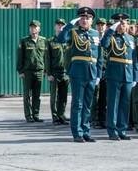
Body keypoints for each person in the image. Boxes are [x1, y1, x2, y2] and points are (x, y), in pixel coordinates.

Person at [56, 7, 102, 143]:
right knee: (78, 104)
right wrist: (70, 25)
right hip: (78, 72)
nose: (84, 20)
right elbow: (60, 39)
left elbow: (99, 57)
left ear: (92, 20)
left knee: (88, 104)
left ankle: (86, 131)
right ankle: (77, 133)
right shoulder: (73, 32)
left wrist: (98, 74)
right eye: (82, 18)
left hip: (92, 73)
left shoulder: (95, 34)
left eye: (87, 18)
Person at [100, 13, 137, 141]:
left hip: (128, 75)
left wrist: (135, 77)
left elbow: (134, 59)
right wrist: (111, 30)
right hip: (114, 75)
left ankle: (122, 130)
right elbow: (104, 44)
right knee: (113, 104)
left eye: (125, 23)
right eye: (120, 23)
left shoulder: (130, 39)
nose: (123, 25)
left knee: (125, 104)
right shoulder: (111, 37)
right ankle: (112, 131)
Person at [17, 20, 46, 123]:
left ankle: (36, 115)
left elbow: (45, 57)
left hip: (39, 71)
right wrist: (20, 71)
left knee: (37, 95)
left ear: (39, 29)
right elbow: (20, 57)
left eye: (35, 27)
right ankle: (28, 116)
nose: (33, 29)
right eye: (31, 27)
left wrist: (46, 70)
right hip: (27, 72)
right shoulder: (24, 41)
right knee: (27, 95)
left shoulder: (43, 41)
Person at [45, 19, 69, 125]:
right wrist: (48, 73)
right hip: (54, 72)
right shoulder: (50, 41)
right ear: (55, 27)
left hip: (66, 72)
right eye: (58, 25)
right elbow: (47, 58)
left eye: (62, 25)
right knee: (54, 96)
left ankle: (61, 114)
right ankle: (55, 117)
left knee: (63, 96)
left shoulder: (68, 40)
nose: (60, 27)